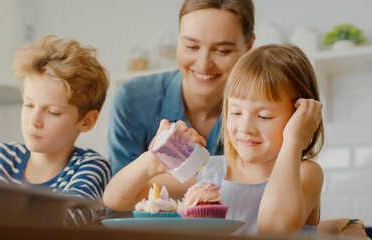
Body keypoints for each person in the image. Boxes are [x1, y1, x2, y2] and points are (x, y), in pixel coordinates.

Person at [104, 44, 324, 237]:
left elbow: (274, 228)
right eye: (236, 113)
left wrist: (294, 139)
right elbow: (117, 201)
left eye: (264, 116)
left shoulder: (306, 174)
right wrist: (153, 161)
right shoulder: (208, 173)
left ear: (300, 118)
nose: (245, 128)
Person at [0, 35, 111, 226]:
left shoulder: (90, 167)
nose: (34, 121)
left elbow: (67, 223)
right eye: (29, 105)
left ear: (87, 121)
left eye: (53, 112)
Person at [106, 0, 255, 178]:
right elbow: (119, 198)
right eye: (191, 47)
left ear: (248, 47)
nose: (203, 64)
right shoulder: (132, 102)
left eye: (222, 50)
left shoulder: (265, 109)